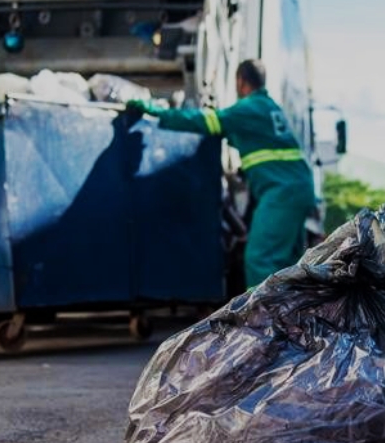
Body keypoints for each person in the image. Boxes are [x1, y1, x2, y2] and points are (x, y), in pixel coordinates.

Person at [127, 59, 315, 289]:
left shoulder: (246, 109)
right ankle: (295, 318)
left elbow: (203, 121)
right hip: (300, 189)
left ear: (240, 81)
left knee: (260, 259)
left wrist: (159, 113)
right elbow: (255, 141)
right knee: (288, 264)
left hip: (281, 192)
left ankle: (261, 321)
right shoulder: (270, 107)